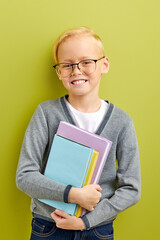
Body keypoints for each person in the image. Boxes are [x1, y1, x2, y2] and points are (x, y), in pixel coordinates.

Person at [16, 26, 141, 240]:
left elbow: (131, 189)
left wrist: (85, 222)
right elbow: (25, 177)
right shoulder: (46, 114)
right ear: (59, 72)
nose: (76, 70)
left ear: (104, 64)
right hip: (48, 226)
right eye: (67, 65)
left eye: (86, 62)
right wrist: (75, 195)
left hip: (98, 229)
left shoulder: (122, 122)